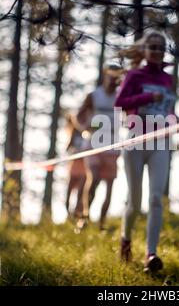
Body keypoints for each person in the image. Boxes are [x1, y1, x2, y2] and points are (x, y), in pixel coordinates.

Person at [115, 31, 177, 272]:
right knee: (135, 202)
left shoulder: (168, 79)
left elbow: (167, 108)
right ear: (144, 50)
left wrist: (174, 119)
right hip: (136, 139)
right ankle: (126, 239)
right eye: (152, 47)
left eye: (161, 47)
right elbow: (120, 103)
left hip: (160, 141)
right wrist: (149, 95)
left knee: (155, 199)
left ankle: (151, 255)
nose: (157, 51)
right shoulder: (135, 75)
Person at [74, 64, 124, 231]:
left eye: (117, 76)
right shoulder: (94, 96)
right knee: (93, 178)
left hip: (113, 144)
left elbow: (129, 113)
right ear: (105, 75)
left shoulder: (120, 96)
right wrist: (86, 127)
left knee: (109, 185)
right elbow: (79, 116)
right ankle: (84, 216)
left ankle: (102, 223)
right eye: (111, 75)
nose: (113, 79)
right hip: (94, 144)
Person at [64, 114, 87, 223]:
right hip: (74, 165)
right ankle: (68, 214)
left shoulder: (87, 133)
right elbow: (68, 148)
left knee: (81, 193)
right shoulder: (73, 134)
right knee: (69, 191)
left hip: (84, 166)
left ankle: (78, 214)